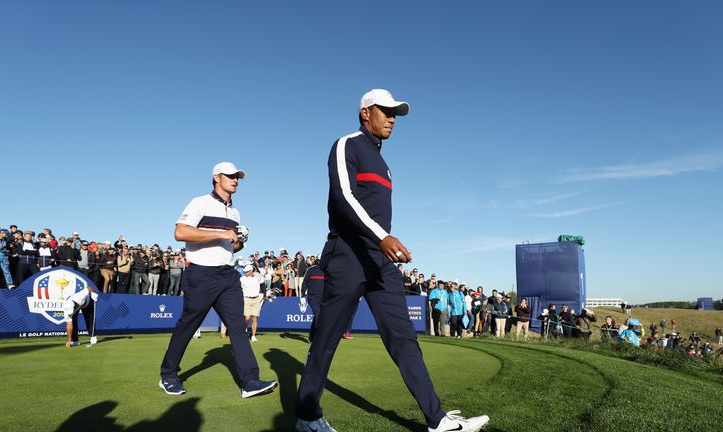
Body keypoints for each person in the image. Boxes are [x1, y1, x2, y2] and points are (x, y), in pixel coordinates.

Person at [295, 90, 488, 432]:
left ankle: (437, 419)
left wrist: (384, 241)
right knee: (327, 335)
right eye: (385, 111)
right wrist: (381, 236)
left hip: (380, 262)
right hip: (348, 254)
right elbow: (343, 198)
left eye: (395, 112)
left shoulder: (383, 162)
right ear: (366, 113)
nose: (392, 117)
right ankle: (306, 417)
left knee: (403, 336)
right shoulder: (346, 145)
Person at [158, 162, 277, 399]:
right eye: (231, 176)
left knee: (237, 327)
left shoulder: (235, 212)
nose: (235, 180)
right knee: (188, 325)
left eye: (237, 177)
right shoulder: (200, 202)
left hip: (228, 275)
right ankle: (168, 375)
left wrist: (240, 241)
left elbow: (232, 246)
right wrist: (222, 233)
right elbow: (180, 233)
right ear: (216, 178)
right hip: (201, 274)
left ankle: (250, 381)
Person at [240, 264, 265, 342]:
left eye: (247, 272)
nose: (245, 273)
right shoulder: (242, 279)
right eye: (245, 272)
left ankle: (253, 336)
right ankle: (244, 330)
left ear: (251, 271)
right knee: (247, 318)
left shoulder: (258, 277)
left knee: (254, 318)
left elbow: (263, 285)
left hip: (256, 299)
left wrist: (264, 295)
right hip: (246, 298)